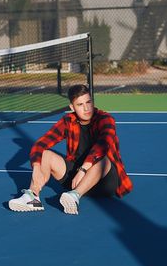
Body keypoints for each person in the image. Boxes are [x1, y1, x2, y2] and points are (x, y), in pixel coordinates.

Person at [9, 84, 133, 214]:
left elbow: (103, 144)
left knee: (103, 159)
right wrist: (36, 167)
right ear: (72, 107)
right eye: (80, 105)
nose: (86, 108)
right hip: (76, 180)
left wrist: (83, 170)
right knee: (45, 155)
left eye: (88, 102)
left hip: (105, 181)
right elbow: (40, 144)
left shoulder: (105, 119)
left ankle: (74, 196)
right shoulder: (68, 121)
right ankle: (33, 197)